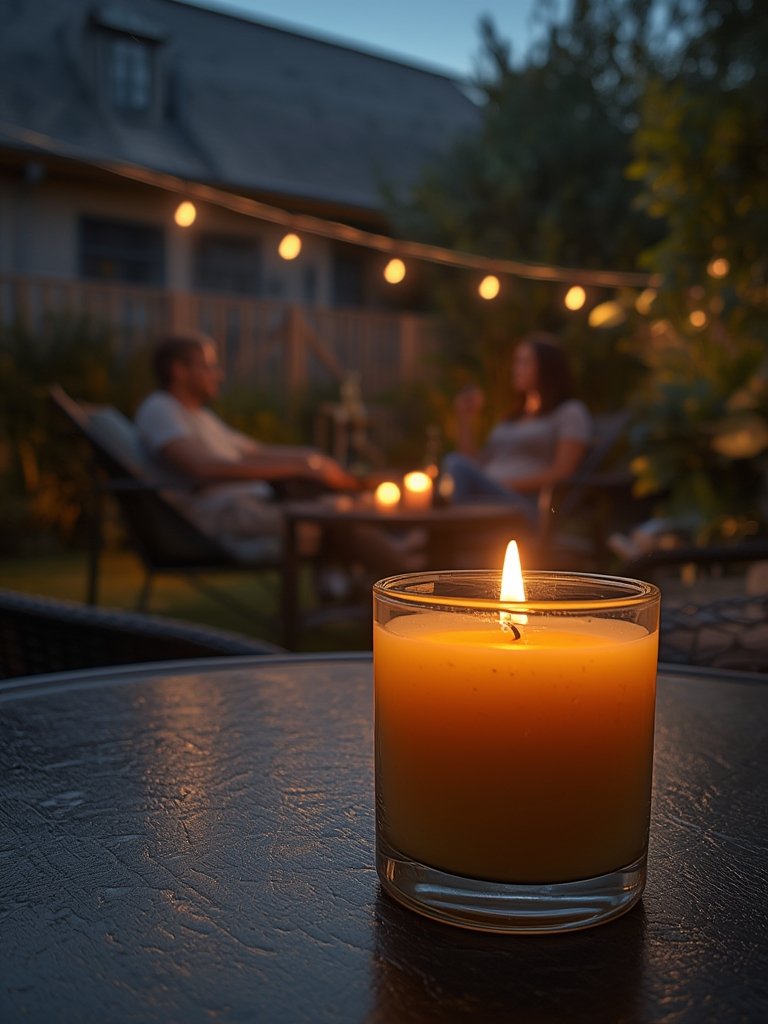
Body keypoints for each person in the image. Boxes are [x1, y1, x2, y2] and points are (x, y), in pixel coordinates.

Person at [135, 331, 422, 579]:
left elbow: (254, 452)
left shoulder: (199, 416)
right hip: (216, 515)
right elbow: (203, 467)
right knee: (339, 514)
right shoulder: (160, 409)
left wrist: (311, 458)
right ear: (179, 370)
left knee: (345, 507)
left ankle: (388, 569)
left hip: (247, 504)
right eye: (209, 366)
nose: (218, 374)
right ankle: (401, 573)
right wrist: (300, 466)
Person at [441, 332, 593, 524]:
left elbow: (562, 473)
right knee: (455, 465)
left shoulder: (569, 412)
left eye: (524, 362)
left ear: (547, 368)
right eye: (516, 362)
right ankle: (420, 542)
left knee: (454, 463)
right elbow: (473, 464)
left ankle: (418, 543)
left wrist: (498, 484)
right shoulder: (512, 419)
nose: (516, 369)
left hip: (523, 504)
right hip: (488, 497)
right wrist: (464, 419)